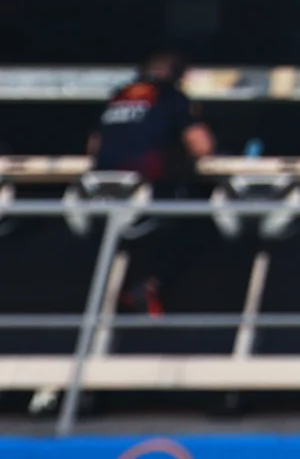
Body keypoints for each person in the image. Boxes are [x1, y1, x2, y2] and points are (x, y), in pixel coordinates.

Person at [87, 49, 214, 315]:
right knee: (197, 219)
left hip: (96, 196)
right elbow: (202, 146)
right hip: (143, 194)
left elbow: (93, 146)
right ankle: (151, 286)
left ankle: (116, 293)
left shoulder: (118, 96)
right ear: (179, 76)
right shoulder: (172, 97)